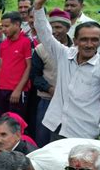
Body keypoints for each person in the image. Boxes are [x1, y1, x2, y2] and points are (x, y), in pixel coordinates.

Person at [34, 0, 100, 140]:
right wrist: (38, 7)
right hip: (56, 125)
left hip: (83, 132)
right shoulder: (65, 54)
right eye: (84, 39)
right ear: (75, 41)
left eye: (94, 40)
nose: (89, 44)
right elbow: (45, 33)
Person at [30, 8, 73, 147]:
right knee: (43, 138)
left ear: (67, 28)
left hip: (71, 103)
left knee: (64, 141)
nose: (55, 31)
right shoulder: (40, 49)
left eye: (59, 27)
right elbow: (35, 76)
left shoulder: (76, 50)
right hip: (47, 101)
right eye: (52, 27)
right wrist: (49, 88)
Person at [0, 12, 32, 118]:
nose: (4, 29)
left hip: (17, 91)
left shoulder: (26, 42)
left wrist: (18, 90)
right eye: (3, 26)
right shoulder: (3, 44)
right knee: (2, 121)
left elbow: (29, 67)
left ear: (17, 25)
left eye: (7, 26)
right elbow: (0, 67)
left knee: (15, 123)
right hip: (2, 90)